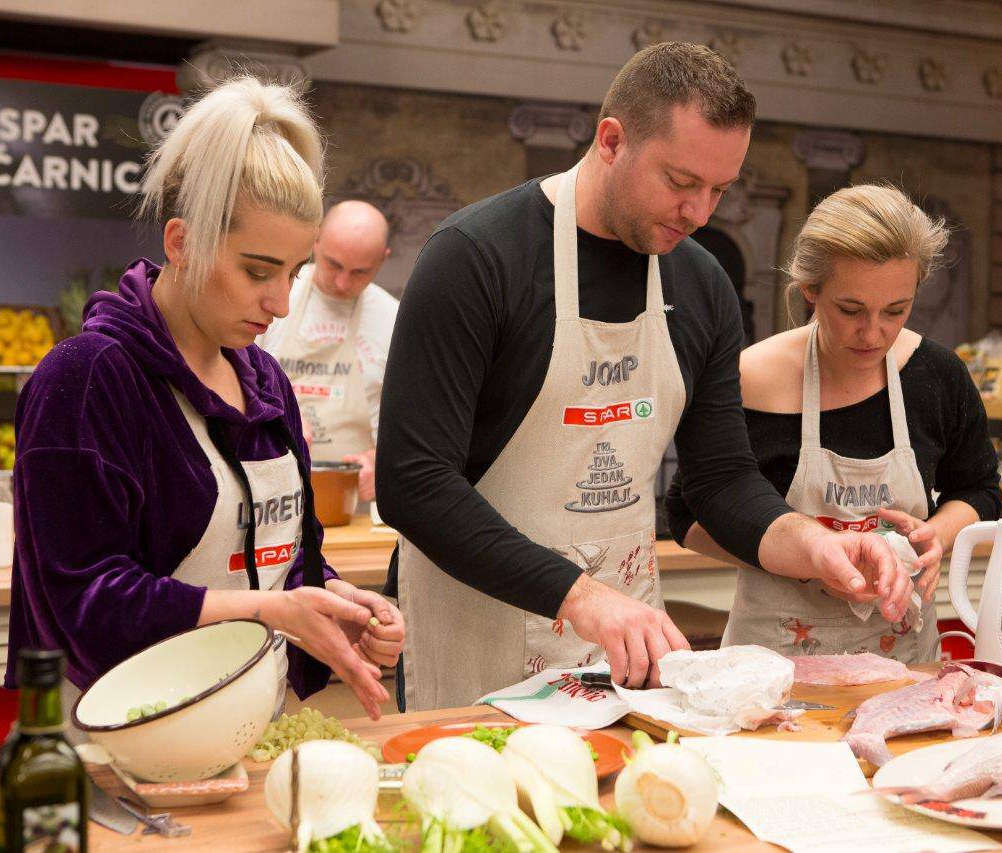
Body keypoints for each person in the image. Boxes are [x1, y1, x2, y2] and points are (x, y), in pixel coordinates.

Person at [377, 43, 913, 712]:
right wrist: (579, 594)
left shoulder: (701, 286)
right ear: (611, 141)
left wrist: (812, 541)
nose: (699, 213)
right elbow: (413, 483)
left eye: (719, 189)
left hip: (624, 655)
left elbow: (720, 481)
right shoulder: (478, 259)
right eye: (680, 181)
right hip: (476, 641)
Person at [5, 77, 405, 724]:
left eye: (292, 273)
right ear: (180, 242)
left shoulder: (264, 383)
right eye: (256, 271)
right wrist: (272, 611)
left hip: (252, 727)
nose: (279, 303)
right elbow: (80, 603)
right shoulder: (88, 379)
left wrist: (337, 604)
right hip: (122, 746)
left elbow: (285, 560)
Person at [667, 185, 1002, 662]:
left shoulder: (937, 375)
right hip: (774, 667)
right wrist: (804, 560)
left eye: (895, 311)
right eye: (850, 310)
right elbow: (687, 515)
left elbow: (979, 489)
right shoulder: (753, 378)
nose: (873, 333)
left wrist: (937, 535)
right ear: (810, 288)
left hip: (904, 668)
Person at [259, 201, 398, 502]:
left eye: (360, 272)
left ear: (382, 259)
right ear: (316, 240)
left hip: (355, 502)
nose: (342, 282)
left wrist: (385, 464)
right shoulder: (272, 299)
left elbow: (413, 424)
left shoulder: (394, 320)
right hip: (271, 493)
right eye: (333, 264)